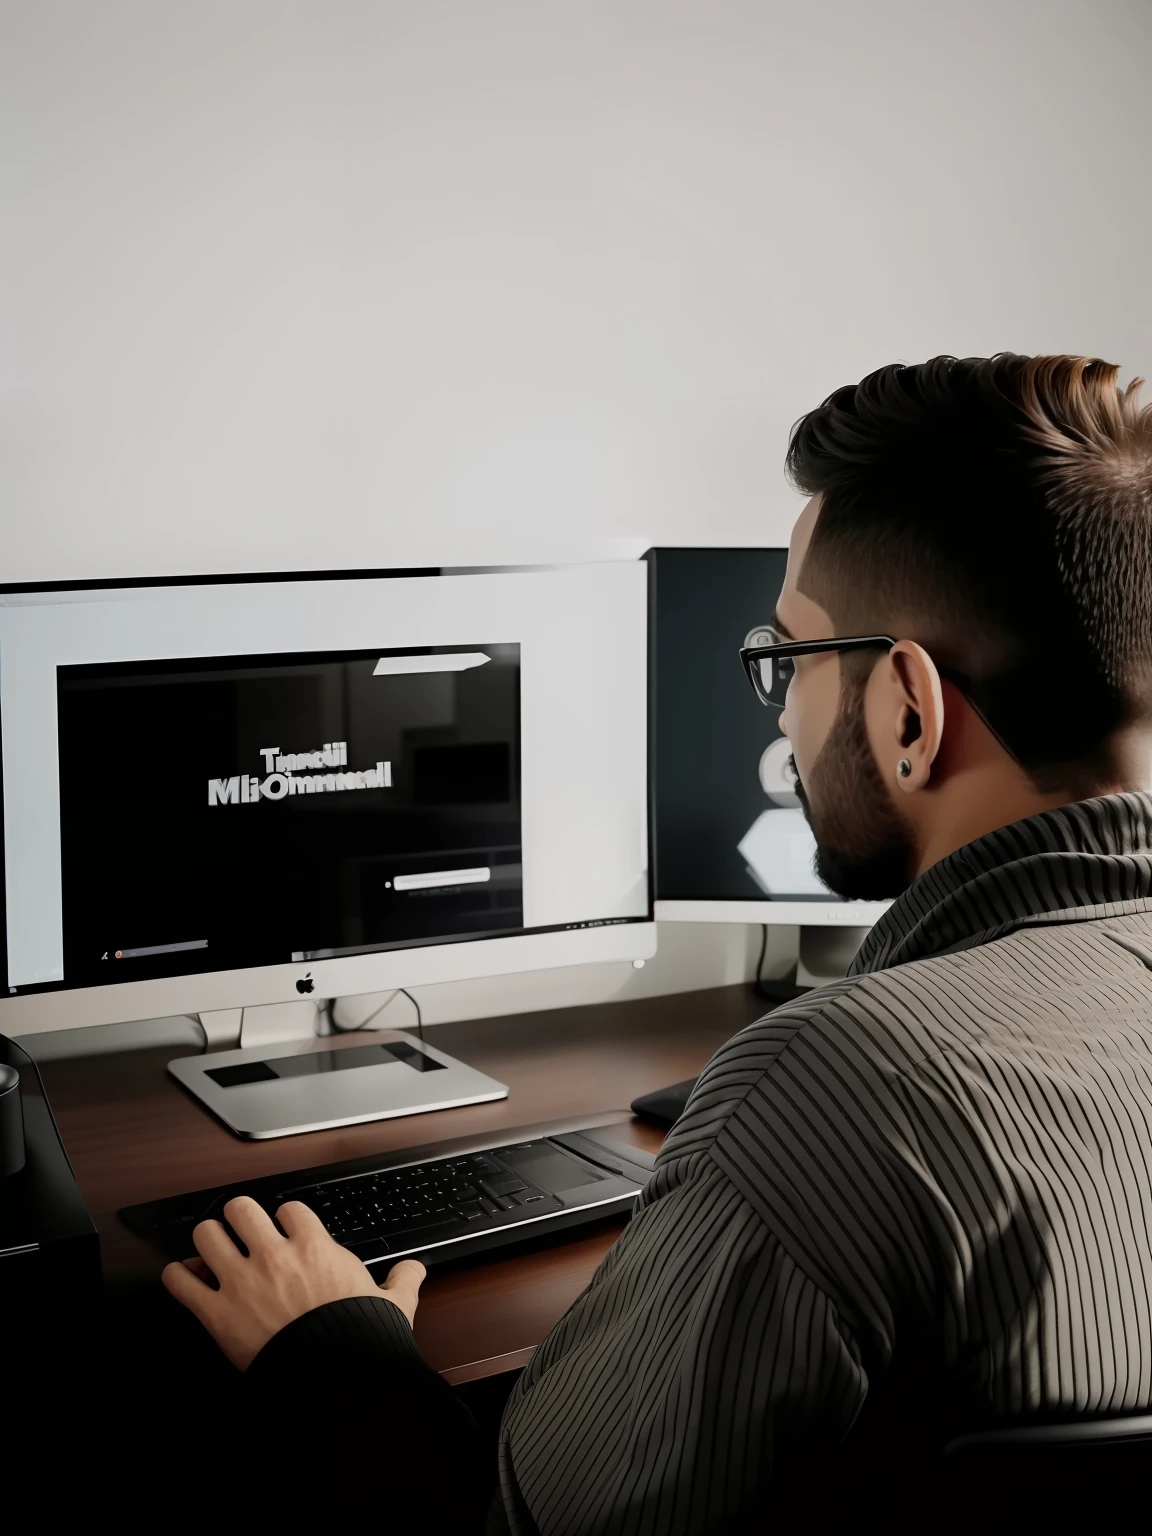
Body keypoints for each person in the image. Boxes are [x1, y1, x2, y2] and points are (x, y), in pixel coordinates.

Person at [163, 354, 1152, 1531]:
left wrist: (331, 1345)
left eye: (788, 660)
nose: (784, 712)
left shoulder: (835, 1085)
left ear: (905, 708)